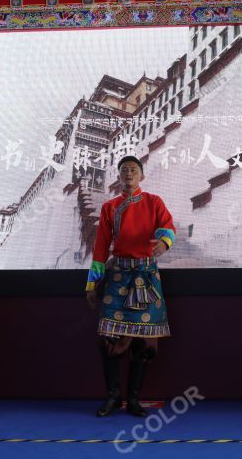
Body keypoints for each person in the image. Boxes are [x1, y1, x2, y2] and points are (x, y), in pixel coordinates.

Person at [86, 155, 175, 417]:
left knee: (146, 343)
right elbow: (100, 248)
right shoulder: (109, 207)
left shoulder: (154, 202)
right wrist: (92, 284)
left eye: (133, 170)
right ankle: (113, 397)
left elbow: (167, 227)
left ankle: (134, 399)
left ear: (141, 176)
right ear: (119, 175)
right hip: (118, 277)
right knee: (109, 338)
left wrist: (163, 242)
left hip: (146, 276)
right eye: (124, 170)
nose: (128, 174)